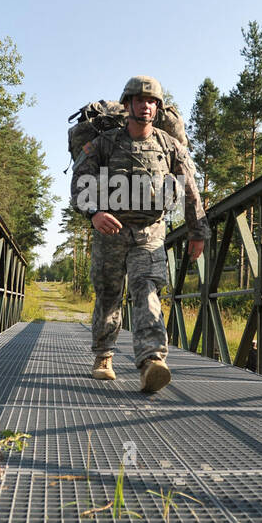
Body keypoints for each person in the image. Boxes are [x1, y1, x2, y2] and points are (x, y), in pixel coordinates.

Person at [70, 76, 209, 392]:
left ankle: (151, 361)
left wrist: (197, 230)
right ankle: (104, 356)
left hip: (150, 233)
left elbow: (190, 190)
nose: (146, 106)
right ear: (128, 104)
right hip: (110, 234)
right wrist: (94, 213)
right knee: (108, 294)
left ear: (157, 108)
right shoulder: (104, 143)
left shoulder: (169, 146)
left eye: (152, 101)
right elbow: (79, 183)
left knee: (146, 292)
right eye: (140, 100)